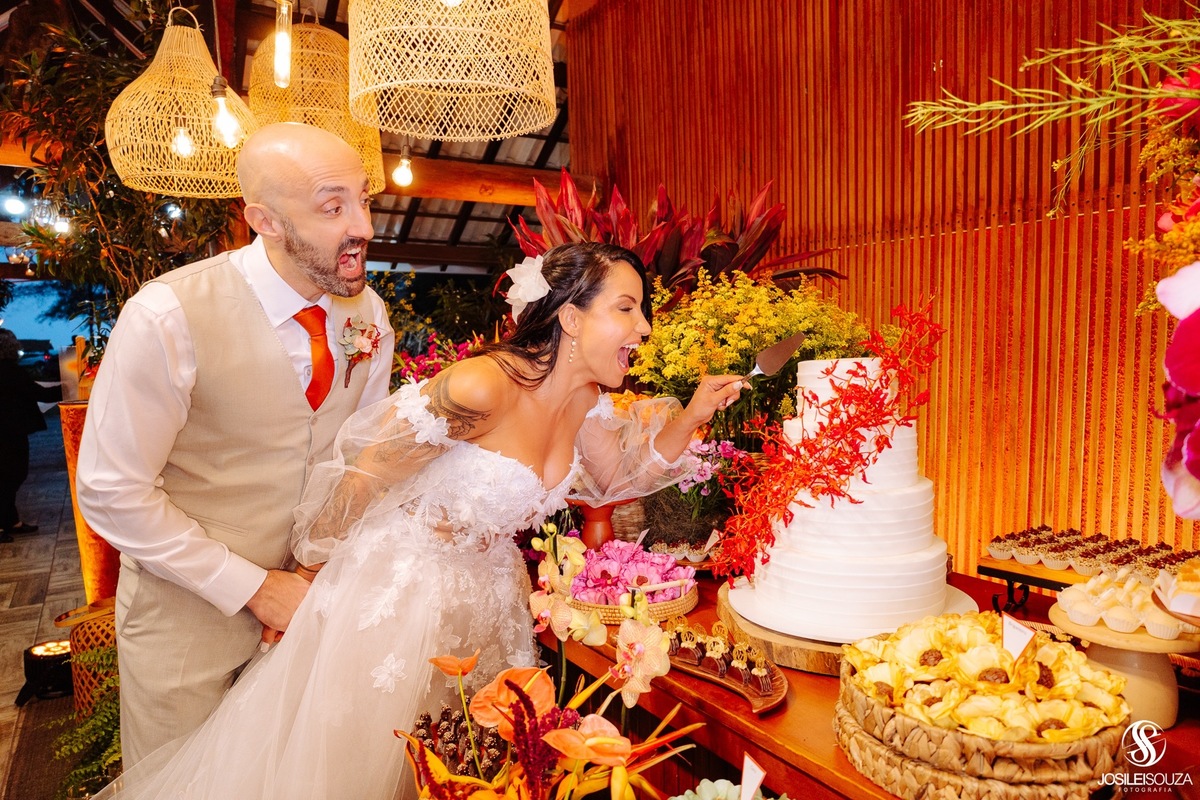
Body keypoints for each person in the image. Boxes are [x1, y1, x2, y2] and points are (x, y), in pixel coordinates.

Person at [92, 241, 743, 799]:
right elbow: (366, 471)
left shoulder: (588, 405)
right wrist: (307, 576)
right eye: (626, 309)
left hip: (489, 597)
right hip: (400, 598)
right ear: (570, 318)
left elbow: (615, 478)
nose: (644, 328)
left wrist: (690, 416)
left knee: (470, 765)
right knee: (376, 765)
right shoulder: (481, 387)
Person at [76, 122, 396, 765]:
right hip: (186, 621)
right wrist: (254, 587)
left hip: (311, 606)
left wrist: (308, 574)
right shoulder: (168, 315)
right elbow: (110, 492)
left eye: (364, 200)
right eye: (334, 207)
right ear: (266, 219)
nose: (360, 223)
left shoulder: (370, 317)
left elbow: (362, 455)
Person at [0, 329, 61, 540]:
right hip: (9, 432)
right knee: (11, 475)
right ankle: (6, 523)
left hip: (7, 431)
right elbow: (39, 394)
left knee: (9, 476)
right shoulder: (9, 370)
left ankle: (10, 521)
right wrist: (70, 388)